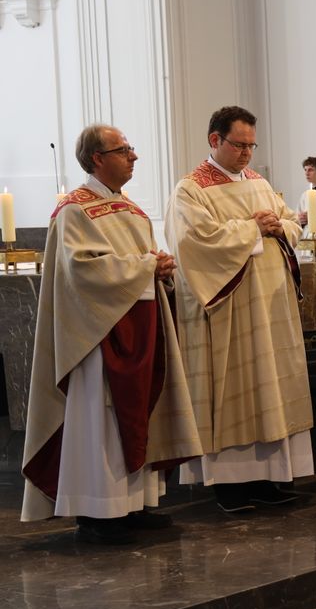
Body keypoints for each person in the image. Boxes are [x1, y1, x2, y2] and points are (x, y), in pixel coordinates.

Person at [21, 124, 202, 544]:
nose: (133, 156)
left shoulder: (132, 210)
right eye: (123, 150)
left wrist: (160, 269)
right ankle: (97, 512)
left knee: (138, 414)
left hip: (139, 328)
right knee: (99, 420)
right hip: (96, 336)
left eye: (131, 148)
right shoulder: (74, 211)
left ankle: (134, 504)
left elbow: (141, 262)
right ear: (97, 159)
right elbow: (83, 270)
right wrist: (146, 266)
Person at [166, 106, 313, 514]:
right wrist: (253, 228)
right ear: (215, 140)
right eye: (239, 145)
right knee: (235, 393)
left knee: (272, 391)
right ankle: (230, 486)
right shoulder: (191, 189)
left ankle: (269, 479)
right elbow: (193, 242)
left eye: (252, 145)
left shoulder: (259, 182)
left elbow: (292, 223)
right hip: (228, 311)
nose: (247, 153)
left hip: (270, 308)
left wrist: (280, 227)